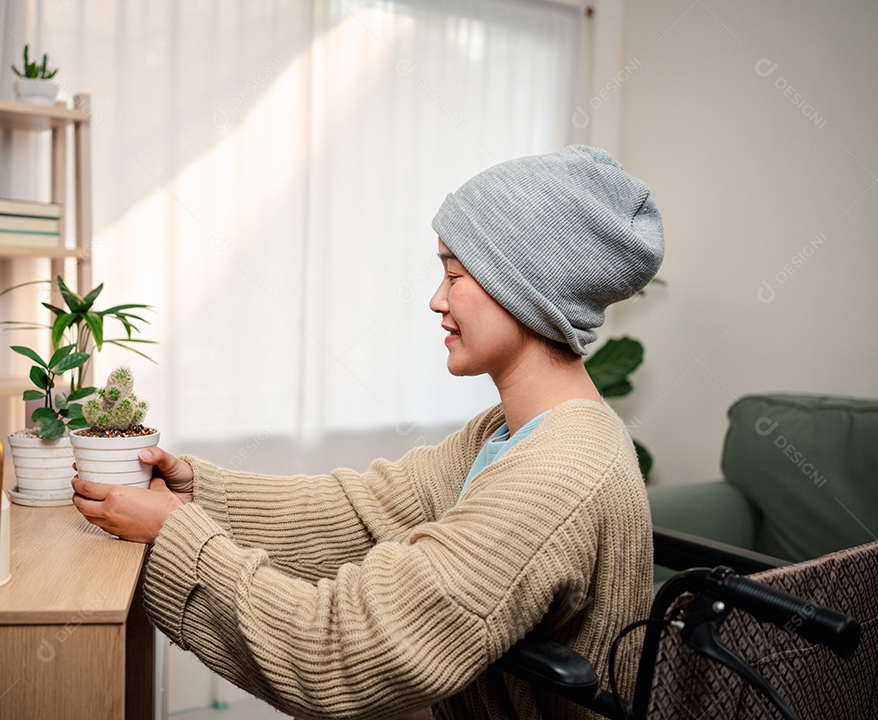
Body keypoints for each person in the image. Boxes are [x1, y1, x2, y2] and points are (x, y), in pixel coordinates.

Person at [72, 145, 664, 719]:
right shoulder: (510, 432)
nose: (436, 300)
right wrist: (200, 494)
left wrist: (178, 537)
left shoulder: (559, 476)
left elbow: (342, 654)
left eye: (454, 275)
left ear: (524, 290)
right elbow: (365, 510)